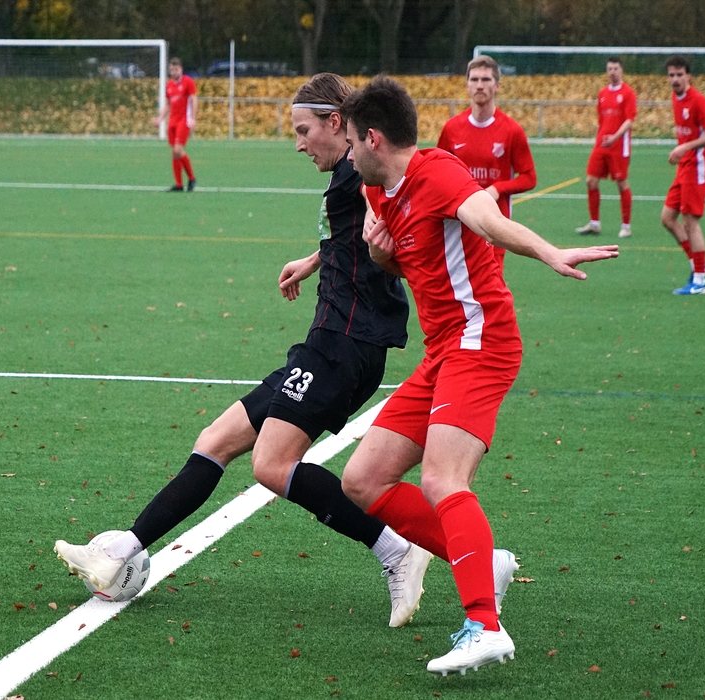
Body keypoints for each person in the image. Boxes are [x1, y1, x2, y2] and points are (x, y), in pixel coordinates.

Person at [56, 73, 434, 628]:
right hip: (327, 341)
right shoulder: (348, 176)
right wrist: (317, 259)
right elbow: (354, 235)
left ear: (337, 123)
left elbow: (402, 222)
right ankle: (118, 552)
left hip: (345, 347)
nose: (298, 144)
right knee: (216, 441)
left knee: (272, 465)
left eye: (304, 131)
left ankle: (396, 550)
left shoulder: (364, 172)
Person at [338, 76, 618, 676]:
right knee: (363, 480)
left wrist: (549, 251)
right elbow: (407, 262)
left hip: (482, 339)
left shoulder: (437, 173)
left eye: (352, 142)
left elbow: (487, 222)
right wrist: (382, 254)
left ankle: (484, 627)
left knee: (443, 478)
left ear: (374, 139)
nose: (347, 153)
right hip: (443, 350)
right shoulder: (376, 191)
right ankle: (482, 562)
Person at [436, 55, 536, 269]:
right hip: (458, 224)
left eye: (486, 79)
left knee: (491, 288)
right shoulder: (452, 129)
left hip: (494, 226)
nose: (479, 85)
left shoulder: (511, 130)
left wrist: (497, 189)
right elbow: (437, 173)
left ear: (497, 86)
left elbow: (529, 178)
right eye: (474, 79)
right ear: (467, 86)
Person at [661, 55, 705, 295]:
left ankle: (700, 282)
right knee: (667, 218)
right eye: (671, 75)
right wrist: (681, 151)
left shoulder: (697, 100)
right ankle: (699, 266)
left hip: (697, 169)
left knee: (690, 222)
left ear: (688, 76)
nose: (675, 79)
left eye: (679, 74)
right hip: (683, 168)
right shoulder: (676, 98)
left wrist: (685, 147)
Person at [575, 56, 637, 239]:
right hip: (602, 144)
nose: (613, 72)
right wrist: (598, 140)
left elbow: (629, 120)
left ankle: (626, 226)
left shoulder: (628, 93)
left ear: (621, 70)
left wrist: (615, 137)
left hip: (619, 146)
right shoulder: (602, 93)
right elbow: (601, 120)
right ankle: (594, 224)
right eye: (610, 69)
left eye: (616, 68)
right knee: (590, 181)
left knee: (621, 183)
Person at [153, 58, 198, 191]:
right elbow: (168, 105)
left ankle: (192, 178)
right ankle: (179, 184)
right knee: (174, 153)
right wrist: (160, 119)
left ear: (181, 69)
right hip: (172, 121)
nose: (173, 72)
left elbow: (194, 100)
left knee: (178, 150)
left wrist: (193, 118)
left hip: (183, 121)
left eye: (176, 69)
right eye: (171, 70)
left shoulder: (188, 82)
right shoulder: (169, 85)